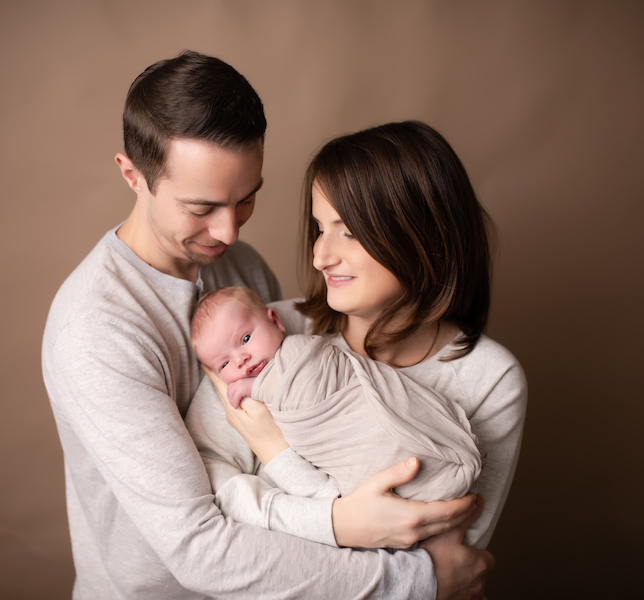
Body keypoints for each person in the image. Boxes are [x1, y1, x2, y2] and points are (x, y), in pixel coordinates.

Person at [42, 50, 491, 600]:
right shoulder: (95, 333)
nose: (228, 231)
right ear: (133, 175)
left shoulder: (240, 266)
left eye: (247, 197)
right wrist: (413, 577)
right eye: (201, 207)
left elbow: (281, 450)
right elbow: (197, 548)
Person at [186, 121, 526, 560]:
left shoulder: (489, 378)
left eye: (348, 231)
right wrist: (338, 521)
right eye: (319, 228)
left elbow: (440, 569)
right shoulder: (266, 335)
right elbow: (206, 494)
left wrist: (272, 451)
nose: (320, 256)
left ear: (422, 234)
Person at [190, 286, 484, 503]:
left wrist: (257, 388)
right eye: (224, 364)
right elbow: (213, 483)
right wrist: (339, 516)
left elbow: (301, 383)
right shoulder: (225, 401)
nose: (240, 359)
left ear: (276, 321)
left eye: (245, 339)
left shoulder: (301, 352)